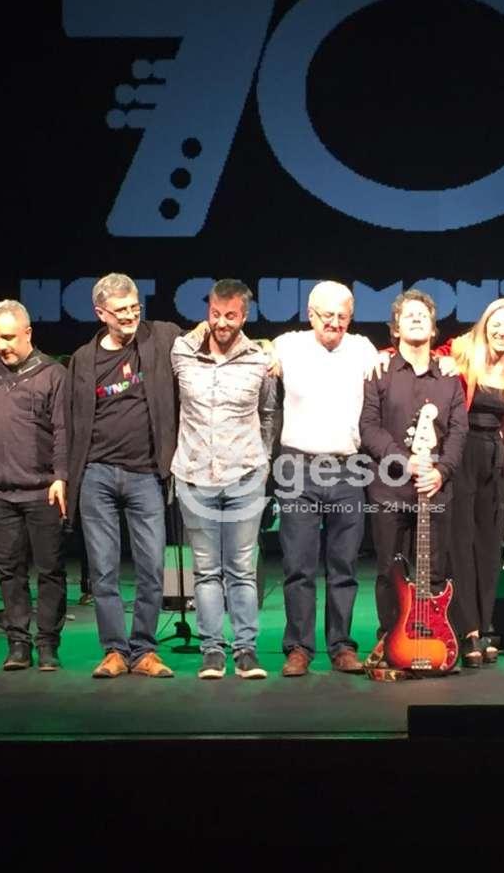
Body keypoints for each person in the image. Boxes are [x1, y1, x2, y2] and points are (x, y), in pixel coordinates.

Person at [67, 272, 181, 679]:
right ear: (101, 313)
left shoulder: (161, 337)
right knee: (103, 569)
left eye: (135, 307)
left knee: (152, 567)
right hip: (96, 473)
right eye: (121, 311)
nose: (131, 316)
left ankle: (144, 650)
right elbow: (70, 420)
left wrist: (267, 347)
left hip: (145, 473)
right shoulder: (83, 359)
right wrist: (66, 475)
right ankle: (115, 650)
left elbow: (206, 337)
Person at [172, 279, 277, 680]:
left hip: (244, 476)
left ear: (244, 316)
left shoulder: (260, 360)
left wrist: (263, 463)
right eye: (215, 314)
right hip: (194, 475)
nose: (221, 322)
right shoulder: (182, 351)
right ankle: (212, 652)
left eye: (230, 315)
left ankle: (246, 651)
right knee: (205, 570)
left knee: (241, 569)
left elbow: (268, 414)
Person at [271, 280, 376, 676]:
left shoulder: (363, 349)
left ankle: (342, 646)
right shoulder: (287, 345)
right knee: (298, 564)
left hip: (348, 467)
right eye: (326, 314)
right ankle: (299, 647)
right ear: (310, 314)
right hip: (298, 466)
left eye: (342, 315)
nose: (334, 322)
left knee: (343, 564)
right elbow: (252, 349)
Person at [359, 289, 468, 663]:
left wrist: (441, 471)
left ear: (434, 328)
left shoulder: (449, 377)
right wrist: (404, 462)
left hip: (435, 489)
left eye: (424, 315)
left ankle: (430, 636)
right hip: (389, 489)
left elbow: (459, 431)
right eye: (409, 315)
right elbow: (369, 427)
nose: (417, 319)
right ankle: (390, 642)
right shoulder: (379, 372)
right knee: (389, 570)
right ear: (395, 329)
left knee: (433, 571)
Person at [0, 300, 69, 672]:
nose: (2, 346)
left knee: (50, 570)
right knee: (10, 572)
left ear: (28, 333)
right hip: (1, 491)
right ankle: (18, 643)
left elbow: (63, 430)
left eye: (9, 337)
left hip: (44, 490)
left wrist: (61, 476)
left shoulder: (53, 374)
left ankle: (48, 644)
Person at [439, 297, 504, 667]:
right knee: (460, 543)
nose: (503, 331)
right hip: (462, 454)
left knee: (489, 546)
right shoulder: (459, 352)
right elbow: (416, 353)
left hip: (495, 458)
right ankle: (467, 629)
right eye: (498, 323)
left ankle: (486, 620)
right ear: (485, 324)